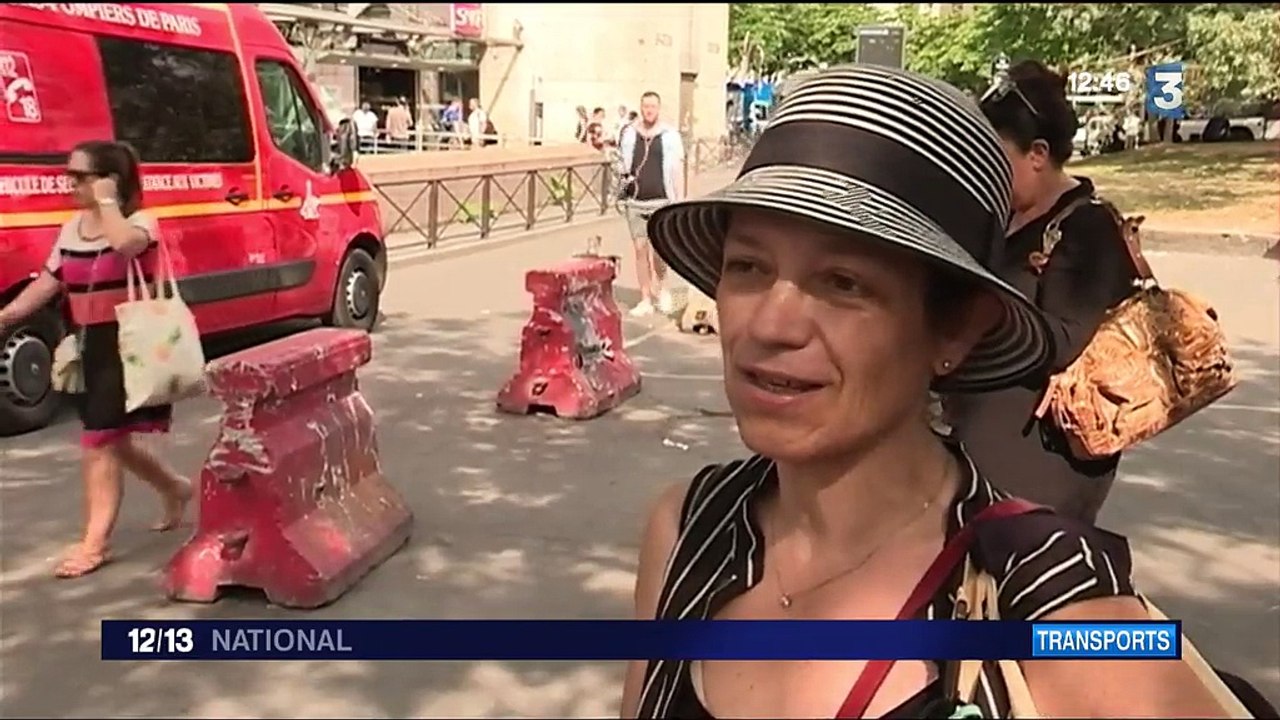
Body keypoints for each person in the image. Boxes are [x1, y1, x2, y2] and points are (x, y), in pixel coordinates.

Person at [620, 65, 1235, 719]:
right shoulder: (689, 528)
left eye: (843, 282)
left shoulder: (1056, 603)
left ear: (956, 329)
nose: (769, 324)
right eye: (748, 266)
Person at [942, 60, 1140, 523]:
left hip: (1042, 465)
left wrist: (974, 319)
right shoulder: (996, 219)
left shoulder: (1088, 229)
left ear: (1037, 154)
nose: (981, 170)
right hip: (970, 445)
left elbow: (1069, 339)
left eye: (994, 157)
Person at [0, 141, 191, 579]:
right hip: (88, 345)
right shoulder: (71, 229)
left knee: (99, 443)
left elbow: (125, 246)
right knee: (113, 439)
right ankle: (175, 488)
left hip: (127, 346)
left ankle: (94, 543)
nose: (71, 184)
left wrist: (107, 202)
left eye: (81, 177)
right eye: (70, 175)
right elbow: (50, 281)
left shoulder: (139, 222)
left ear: (111, 180)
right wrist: (6, 317)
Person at [617, 91, 684, 317]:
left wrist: (680, 200)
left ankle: (662, 289)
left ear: (659, 108)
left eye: (653, 107)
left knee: (659, 251)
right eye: (645, 106)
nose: (649, 111)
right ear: (641, 107)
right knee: (639, 250)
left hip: (661, 199)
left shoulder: (670, 136)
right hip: (635, 201)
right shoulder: (629, 134)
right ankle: (645, 297)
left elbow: (677, 169)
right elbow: (622, 164)